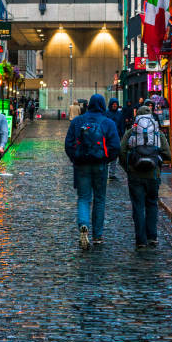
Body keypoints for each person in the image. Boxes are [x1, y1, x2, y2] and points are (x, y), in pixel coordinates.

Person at [65, 94, 121, 249]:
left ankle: (84, 225)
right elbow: (116, 146)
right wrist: (106, 158)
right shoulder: (108, 122)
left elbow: (68, 143)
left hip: (82, 165)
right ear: (103, 105)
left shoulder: (78, 121)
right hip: (100, 165)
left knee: (83, 198)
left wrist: (75, 158)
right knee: (99, 199)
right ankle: (97, 235)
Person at [119, 105, 171, 249]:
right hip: (153, 175)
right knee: (152, 204)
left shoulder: (131, 132)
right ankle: (152, 237)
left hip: (135, 175)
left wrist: (128, 168)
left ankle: (141, 240)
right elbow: (167, 154)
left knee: (138, 206)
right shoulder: (157, 133)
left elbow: (121, 151)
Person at [105, 98, 124, 179]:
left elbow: (122, 125)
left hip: (117, 137)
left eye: (116, 104)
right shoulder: (106, 113)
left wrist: (122, 134)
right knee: (106, 154)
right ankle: (105, 171)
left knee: (114, 155)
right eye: (113, 104)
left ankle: (112, 173)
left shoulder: (119, 114)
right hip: (107, 137)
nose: (114, 105)